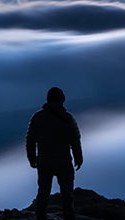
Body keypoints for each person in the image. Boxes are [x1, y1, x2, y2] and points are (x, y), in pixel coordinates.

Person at [26, 87, 83, 220]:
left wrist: (32, 159)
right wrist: (78, 158)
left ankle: (40, 218)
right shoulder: (68, 118)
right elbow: (75, 140)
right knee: (67, 196)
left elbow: (30, 141)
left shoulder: (37, 117)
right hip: (63, 162)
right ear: (62, 100)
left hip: (44, 162)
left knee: (43, 193)